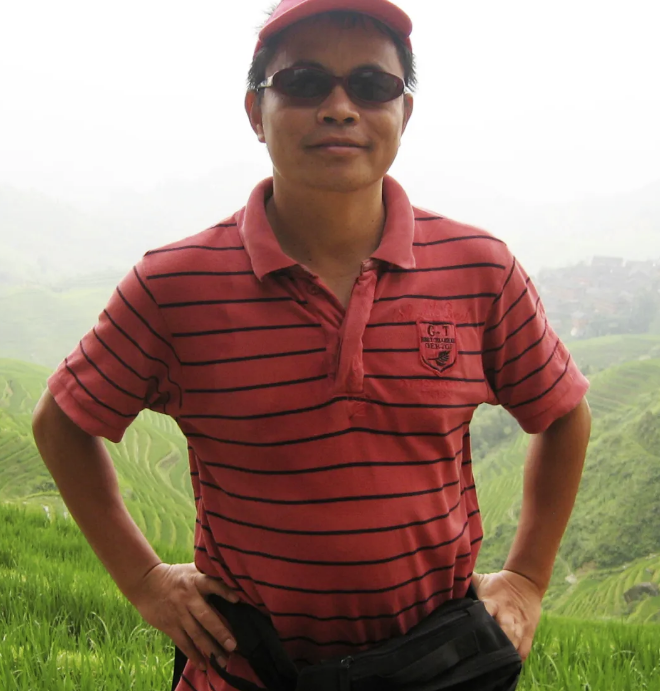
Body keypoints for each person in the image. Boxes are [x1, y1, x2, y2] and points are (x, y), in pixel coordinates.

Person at [32, 1, 592, 690]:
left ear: (405, 112)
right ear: (255, 110)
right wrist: (145, 580)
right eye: (303, 82)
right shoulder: (174, 285)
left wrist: (529, 577)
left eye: (372, 85)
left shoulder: (480, 269)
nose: (339, 108)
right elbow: (62, 422)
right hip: (249, 672)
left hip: (437, 667)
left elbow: (562, 413)